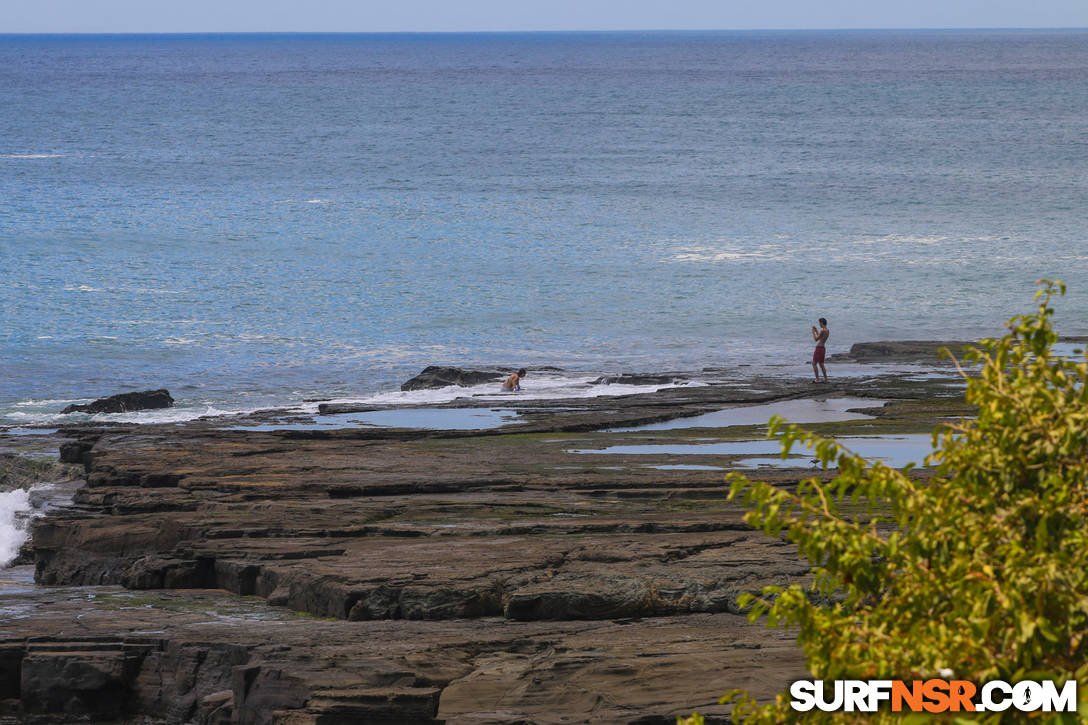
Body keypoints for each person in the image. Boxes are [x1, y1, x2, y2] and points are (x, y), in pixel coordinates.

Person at [811, 318, 829, 383]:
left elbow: (816, 339)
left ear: (822, 323)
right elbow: (820, 337)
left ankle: (817, 379)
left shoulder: (823, 331)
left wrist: (813, 331)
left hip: (819, 348)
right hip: (823, 348)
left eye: (819, 323)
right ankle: (826, 379)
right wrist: (816, 331)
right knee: (821, 364)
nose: (819, 324)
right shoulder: (827, 330)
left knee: (814, 363)